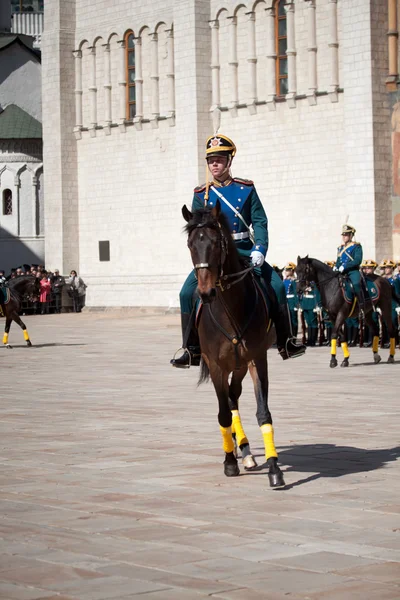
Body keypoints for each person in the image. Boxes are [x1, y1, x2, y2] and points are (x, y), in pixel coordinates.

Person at [171, 133, 306, 368]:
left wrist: (260, 248)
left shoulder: (246, 189)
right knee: (185, 294)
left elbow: (260, 221)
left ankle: (286, 341)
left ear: (229, 161)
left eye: (220, 159)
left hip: (244, 252)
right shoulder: (199, 195)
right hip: (214, 258)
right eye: (211, 160)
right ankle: (191, 349)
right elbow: (197, 231)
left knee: (276, 286)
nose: (215, 164)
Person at [333, 224, 363, 304]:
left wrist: (345, 266)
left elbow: (357, 260)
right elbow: (338, 260)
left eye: (346, 235)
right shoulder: (340, 248)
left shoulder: (356, 246)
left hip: (352, 271)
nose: (344, 237)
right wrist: (336, 266)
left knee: (356, 284)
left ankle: (361, 306)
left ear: (351, 235)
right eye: (343, 235)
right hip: (341, 272)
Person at [283, 262, 299, 338]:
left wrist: (296, 304)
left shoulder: (294, 281)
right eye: (286, 270)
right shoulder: (284, 280)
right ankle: (288, 335)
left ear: (292, 271)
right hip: (286, 302)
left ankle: (294, 337)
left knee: (293, 321)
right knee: (286, 320)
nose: (286, 271)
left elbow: (296, 293)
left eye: (288, 270)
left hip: (292, 302)